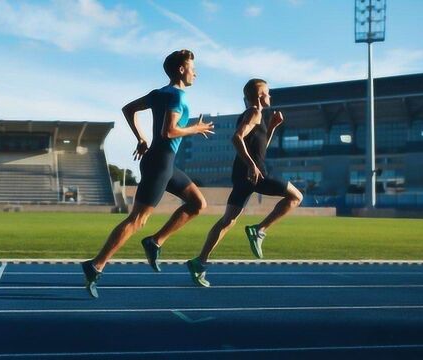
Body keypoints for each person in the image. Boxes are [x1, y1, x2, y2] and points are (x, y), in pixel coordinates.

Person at [81, 49, 215, 298]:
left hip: (163, 162)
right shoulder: (177, 97)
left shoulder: (158, 94)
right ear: (181, 70)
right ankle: (95, 265)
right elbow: (169, 132)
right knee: (137, 220)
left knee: (198, 203)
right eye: (192, 67)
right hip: (159, 164)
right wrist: (195, 128)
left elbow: (127, 109)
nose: (195, 72)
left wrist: (141, 137)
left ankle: (155, 242)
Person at [186, 78, 303, 287]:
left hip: (243, 175)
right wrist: (251, 165)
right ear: (259, 96)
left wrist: (273, 127)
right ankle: (259, 230)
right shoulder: (254, 113)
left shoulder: (255, 116)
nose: (270, 96)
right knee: (296, 196)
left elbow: (258, 149)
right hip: (255, 174)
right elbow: (236, 138)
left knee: (227, 221)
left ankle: (199, 262)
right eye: (268, 93)